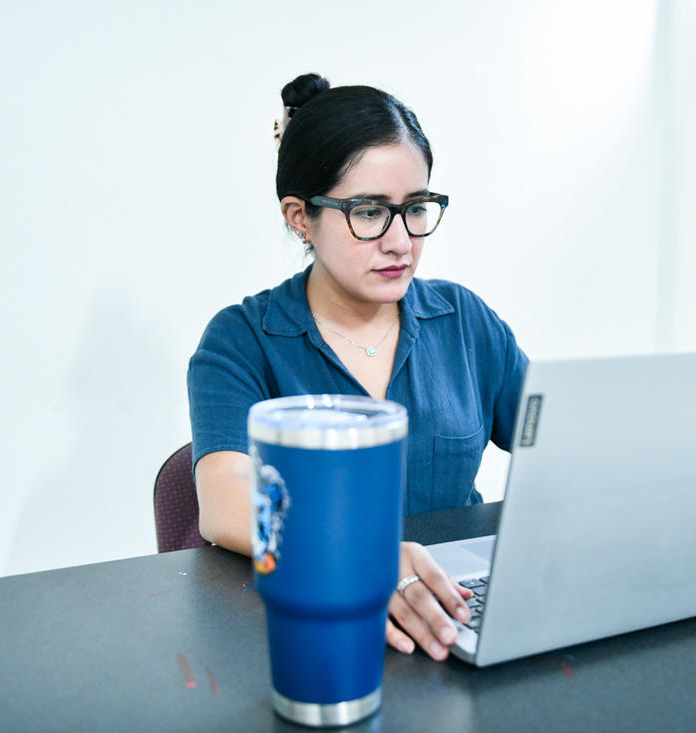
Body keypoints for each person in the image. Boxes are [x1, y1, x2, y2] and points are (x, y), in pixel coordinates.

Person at [188, 73, 527, 662]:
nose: (401, 242)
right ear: (300, 216)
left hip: (453, 611)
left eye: (415, 208)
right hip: (317, 629)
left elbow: (564, 447)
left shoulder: (464, 321)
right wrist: (359, 558)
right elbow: (224, 500)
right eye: (369, 212)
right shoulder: (242, 340)